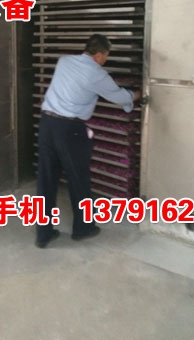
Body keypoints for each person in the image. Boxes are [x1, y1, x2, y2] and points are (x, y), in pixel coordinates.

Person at [35, 34, 141, 248]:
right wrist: (137, 95)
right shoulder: (97, 74)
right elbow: (120, 97)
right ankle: (83, 228)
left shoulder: (64, 61)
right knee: (78, 178)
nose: (105, 60)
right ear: (99, 55)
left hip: (47, 124)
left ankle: (43, 234)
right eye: (106, 56)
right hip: (70, 130)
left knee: (46, 180)